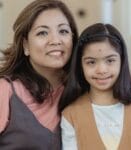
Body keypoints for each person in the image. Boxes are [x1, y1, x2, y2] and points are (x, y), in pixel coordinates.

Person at [0, 0, 78, 149]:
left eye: (63, 31)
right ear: (26, 45)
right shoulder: (5, 90)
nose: (55, 40)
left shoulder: (81, 93)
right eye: (42, 32)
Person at [60, 23, 131, 150]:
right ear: (80, 66)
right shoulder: (71, 115)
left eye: (110, 60)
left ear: (122, 61)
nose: (102, 70)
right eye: (91, 62)